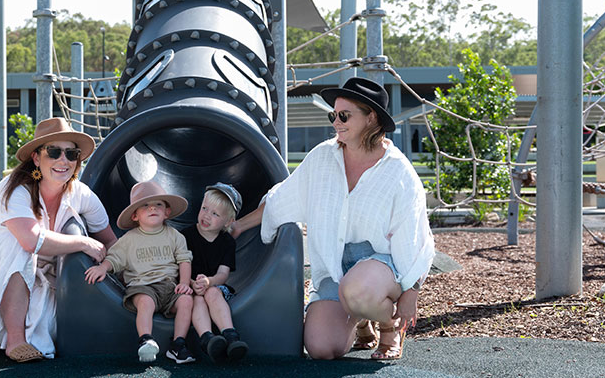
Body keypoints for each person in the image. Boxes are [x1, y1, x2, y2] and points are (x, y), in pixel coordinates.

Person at [231, 77, 435, 360]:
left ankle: (389, 327)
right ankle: (361, 320)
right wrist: (237, 226)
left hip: (381, 267)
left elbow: (415, 238)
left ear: (370, 117)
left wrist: (411, 292)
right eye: (333, 115)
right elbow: (283, 200)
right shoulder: (322, 158)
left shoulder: (398, 172)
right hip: (334, 267)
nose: (335, 122)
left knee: (358, 290)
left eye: (344, 115)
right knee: (321, 348)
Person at [0, 117, 117, 362]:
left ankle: (11, 330)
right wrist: (83, 243)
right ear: (36, 158)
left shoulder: (81, 194)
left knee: (45, 331)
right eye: (54, 152)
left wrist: (118, 271)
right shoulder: (15, 188)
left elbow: (110, 241)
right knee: (18, 242)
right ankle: (15, 340)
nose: (63, 160)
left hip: (34, 269)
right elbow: (30, 241)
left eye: (71, 153)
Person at [84, 180, 195, 364]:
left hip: (169, 287)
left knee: (186, 301)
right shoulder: (129, 240)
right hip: (142, 286)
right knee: (145, 301)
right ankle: (146, 339)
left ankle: (178, 345)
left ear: (167, 211)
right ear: (135, 215)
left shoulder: (175, 236)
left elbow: (184, 260)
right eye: (145, 206)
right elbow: (114, 258)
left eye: (158, 204)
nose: (152, 208)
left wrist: (184, 282)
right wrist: (102, 268)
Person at [180, 182, 248, 363]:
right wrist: (191, 282)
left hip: (215, 286)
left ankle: (231, 336)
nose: (206, 216)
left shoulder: (227, 242)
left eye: (215, 213)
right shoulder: (185, 236)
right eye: (204, 208)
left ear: (228, 222)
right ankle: (207, 338)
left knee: (211, 293)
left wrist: (209, 282)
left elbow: (223, 274)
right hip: (189, 286)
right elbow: (178, 265)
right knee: (197, 299)